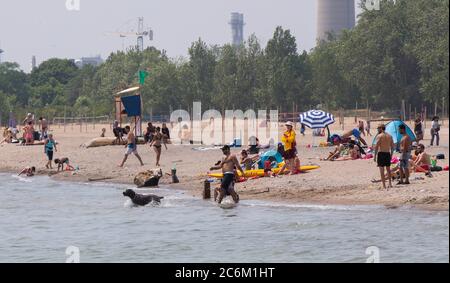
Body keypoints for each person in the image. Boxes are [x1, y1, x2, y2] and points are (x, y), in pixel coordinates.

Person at [374, 124, 395, 189]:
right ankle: (390, 184)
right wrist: (391, 155)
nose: (377, 129)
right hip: (387, 153)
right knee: (388, 170)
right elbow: (392, 147)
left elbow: (376, 147)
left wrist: (375, 156)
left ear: (381, 128)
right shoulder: (390, 136)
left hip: (381, 154)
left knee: (382, 171)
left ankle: (384, 185)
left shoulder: (379, 136)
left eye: (378, 128)